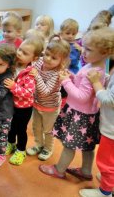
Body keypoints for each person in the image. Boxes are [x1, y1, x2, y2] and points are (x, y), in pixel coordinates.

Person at [39, 28, 114, 183]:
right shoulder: (94, 66)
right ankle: (86, 171)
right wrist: (73, 77)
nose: (83, 52)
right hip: (89, 114)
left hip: (79, 114)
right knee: (88, 146)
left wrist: (65, 82)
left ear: (106, 52)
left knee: (68, 145)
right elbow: (85, 87)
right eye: (84, 47)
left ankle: (59, 170)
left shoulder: (93, 71)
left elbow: (81, 97)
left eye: (89, 49)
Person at [26, 35, 70, 161]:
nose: (48, 59)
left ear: (61, 61)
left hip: (50, 107)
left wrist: (37, 77)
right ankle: (39, 144)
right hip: (37, 103)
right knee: (36, 127)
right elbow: (32, 68)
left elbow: (45, 91)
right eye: (47, 54)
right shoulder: (40, 61)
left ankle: (48, 149)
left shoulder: (57, 73)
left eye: (54, 58)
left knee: (48, 130)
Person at [4, 37, 44, 166]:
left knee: (21, 130)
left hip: (24, 109)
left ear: (34, 58)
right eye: (20, 49)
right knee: (11, 127)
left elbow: (28, 94)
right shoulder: (13, 65)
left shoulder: (30, 74)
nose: (20, 53)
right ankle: (11, 144)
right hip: (11, 105)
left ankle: (21, 151)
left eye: (25, 53)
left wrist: (14, 87)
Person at [79, 54, 114, 197]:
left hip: (112, 130)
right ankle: (110, 182)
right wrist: (103, 77)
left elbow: (110, 100)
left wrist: (95, 82)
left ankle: (105, 192)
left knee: (107, 163)